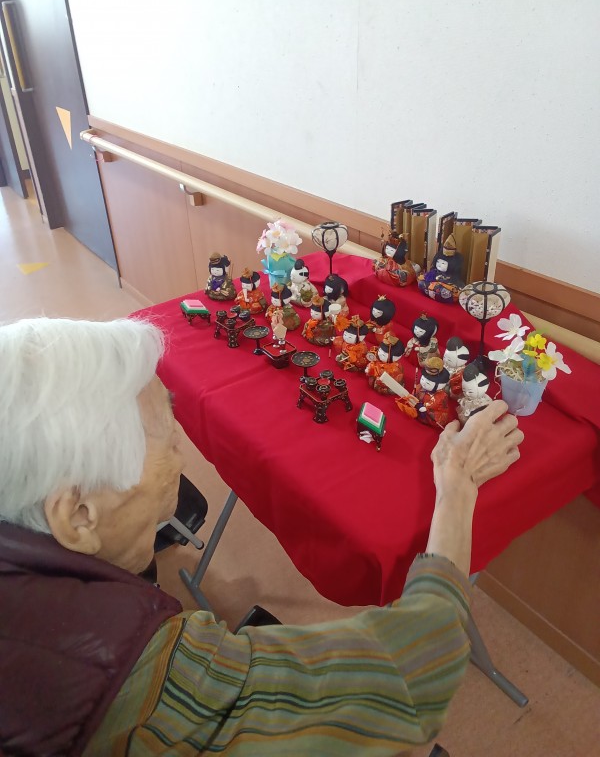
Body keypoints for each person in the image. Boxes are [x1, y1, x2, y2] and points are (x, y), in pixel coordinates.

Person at [0, 317, 523, 757]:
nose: (180, 445)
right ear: (79, 514)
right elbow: (412, 670)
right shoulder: (150, 686)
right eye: (163, 429)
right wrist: (458, 485)